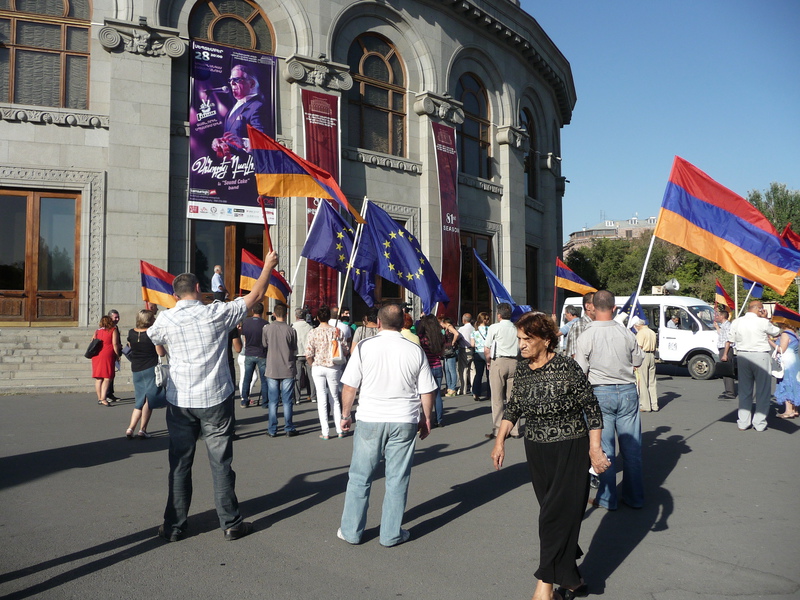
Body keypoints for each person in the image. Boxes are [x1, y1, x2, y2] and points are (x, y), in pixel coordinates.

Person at [148, 249, 278, 542]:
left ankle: (174, 526)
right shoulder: (215, 312)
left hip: (180, 400)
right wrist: (268, 265)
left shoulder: (166, 319)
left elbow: (153, 337)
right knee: (220, 463)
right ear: (198, 288)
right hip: (215, 398)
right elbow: (256, 296)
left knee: (180, 464)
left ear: (175, 295)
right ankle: (231, 523)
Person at [491, 311, 606, 600]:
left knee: (552, 518)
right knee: (554, 514)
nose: (521, 345)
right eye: (519, 339)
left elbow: (592, 408)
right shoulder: (523, 369)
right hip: (537, 451)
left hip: (570, 448)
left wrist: (595, 449)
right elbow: (514, 407)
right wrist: (500, 441)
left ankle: (544, 587)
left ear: (545, 340)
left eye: (527, 339)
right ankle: (572, 580)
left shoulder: (567, 367)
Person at [336, 304, 437, 547]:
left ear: (378, 323)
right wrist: (426, 418)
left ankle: (351, 531)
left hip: (371, 417)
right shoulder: (414, 350)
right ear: (403, 324)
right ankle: (391, 533)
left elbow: (350, 386)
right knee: (397, 478)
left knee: (360, 477)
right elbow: (427, 390)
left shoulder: (364, 347)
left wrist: (345, 415)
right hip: (404, 418)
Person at [575, 289, 644, 511]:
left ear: (593, 307)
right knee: (632, 449)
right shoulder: (625, 333)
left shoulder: (586, 335)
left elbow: (580, 371)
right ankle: (634, 497)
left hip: (600, 392)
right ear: (614, 308)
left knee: (604, 449)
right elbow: (638, 360)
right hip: (627, 390)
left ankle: (607, 497)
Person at [722, 300, 781, 431]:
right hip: (760, 355)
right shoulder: (762, 322)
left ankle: (743, 422)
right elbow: (776, 332)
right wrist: (766, 318)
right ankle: (759, 423)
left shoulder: (737, 321)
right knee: (763, 390)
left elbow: (730, 339)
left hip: (742, 355)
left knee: (745, 390)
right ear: (759, 309)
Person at [306, 305, 349, 439]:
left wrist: (312, 364)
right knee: (334, 398)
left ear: (318, 318)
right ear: (329, 317)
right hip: (333, 366)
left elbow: (308, 353)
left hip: (318, 366)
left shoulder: (313, 332)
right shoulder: (336, 331)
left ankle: (325, 432)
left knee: (321, 398)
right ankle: (339, 429)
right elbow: (345, 349)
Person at [211, 64, 270, 159]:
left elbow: (263, 140)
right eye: (230, 80)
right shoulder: (232, 109)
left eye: (237, 80)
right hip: (231, 163)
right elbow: (232, 136)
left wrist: (243, 142)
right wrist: (221, 141)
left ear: (251, 84)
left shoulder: (257, 106)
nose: (232, 83)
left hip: (248, 164)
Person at [126, 309, 166, 439]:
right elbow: (161, 353)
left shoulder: (131, 332)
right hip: (150, 368)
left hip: (136, 368)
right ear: (149, 320)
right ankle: (142, 429)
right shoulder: (152, 334)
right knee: (149, 399)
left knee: (139, 399)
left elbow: (129, 347)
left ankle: (130, 428)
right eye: (153, 318)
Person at [484, 303, 520, 439]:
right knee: (513, 398)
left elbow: (487, 348)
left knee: (497, 398)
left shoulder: (494, 327)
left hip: (499, 361)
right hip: (514, 361)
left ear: (499, 315)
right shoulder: (516, 328)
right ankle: (515, 430)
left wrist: (488, 361)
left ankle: (499, 430)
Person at [262, 303, 298, 437]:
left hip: (272, 367)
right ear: (286, 314)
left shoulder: (267, 329)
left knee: (273, 401)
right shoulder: (291, 330)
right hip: (287, 367)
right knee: (287, 401)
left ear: (274, 314)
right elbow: (294, 348)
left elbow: (264, 344)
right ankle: (288, 427)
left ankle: (272, 429)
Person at [416, 314, 446, 428]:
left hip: (426, 368)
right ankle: (439, 419)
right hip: (437, 366)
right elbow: (441, 353)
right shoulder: (440, 337)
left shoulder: (422, 337)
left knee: (424, 394)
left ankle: (426, 418)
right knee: (437, 395)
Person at [240, 302, 269, 408]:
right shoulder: (265, 324)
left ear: (252, 310)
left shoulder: (246, 322)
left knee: (247, 378)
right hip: (261, 353)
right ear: (262, 311)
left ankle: (244, 400)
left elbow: (244, 338)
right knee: (264, 380)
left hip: (249, 352)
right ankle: (265, 402)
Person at [91, 315, 122, 407]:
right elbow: (115, 343)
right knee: (107, 377)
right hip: (107, 354)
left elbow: (92, 341)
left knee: (99, 378)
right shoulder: (113, 330)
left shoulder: (97, 331)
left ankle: (99, 398)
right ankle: (103, 398)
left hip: (97, 355)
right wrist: (117, 354)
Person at [773, 323, 800, 418]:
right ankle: (795, 409)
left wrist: (770, 341)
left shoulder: (785, 333)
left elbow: (782, 349)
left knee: (786, 383)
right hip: (795, 360)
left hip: (787, 362)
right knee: (794, 383)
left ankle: (788, 411)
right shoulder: (795, 333)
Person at [633, 317, 658, 412]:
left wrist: (635, 361)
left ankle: (645, 405)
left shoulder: (641, 333)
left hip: (644, 355)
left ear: (637, 325)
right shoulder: (652, 332)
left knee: (643, 381)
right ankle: (654, 404)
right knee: (652, 381)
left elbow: (639, 347)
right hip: (652, 355)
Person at [292, 308, 316, 404]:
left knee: (297, 376)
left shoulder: (293, 326)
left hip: (297, 353)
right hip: (308, 353)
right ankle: (313, 396)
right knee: (311, 376)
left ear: (296, 316)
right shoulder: (309, 327)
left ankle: (297, 398)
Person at [564, 292, 595, 359]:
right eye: (596, 303)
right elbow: (577, 356)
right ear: (588, 306)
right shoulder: (581, 325)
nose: (600, 306)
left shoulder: (593, 324)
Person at [714, 309, 736, 399]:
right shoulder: (723, 325)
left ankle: (730, 392)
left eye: (718, 315)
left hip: (726, 349)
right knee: (724, 371)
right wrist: (717, 327)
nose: (717, 317)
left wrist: (725, 354)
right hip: (723, 349)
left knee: (727, 371)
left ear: (722, 316)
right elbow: (722, 335)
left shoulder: (727, 326)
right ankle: (728, 391)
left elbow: (728, 340)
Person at [470, 311, 490, 401]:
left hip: (478, 353)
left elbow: (472, 344)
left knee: (478, 374)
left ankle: (476, 393)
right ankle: (489, 393)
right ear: (485, 320)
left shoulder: (474, 332)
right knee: (489, 375)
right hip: (488, 353)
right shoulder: (489, 329)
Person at [440, 316, 460, 397]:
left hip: (450, 351)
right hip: (446, 351)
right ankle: (448, 387)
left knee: (452, 370)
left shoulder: (449, 327)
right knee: (446, 369)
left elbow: (456, 334)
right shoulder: (445, 329)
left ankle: (452, 388)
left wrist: (453, 342)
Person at [106, 309, 122, 402]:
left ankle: (110, 393)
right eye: (115, 317)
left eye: (118, 317)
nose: (117, 319)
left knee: (112, 374)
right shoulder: (108, 328)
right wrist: (117, 353)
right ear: (110, 317)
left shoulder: (116, 327)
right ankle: (106, 394)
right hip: (110, 353)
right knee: (108, 375)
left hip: (114, 353)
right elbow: (113, 343)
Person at [457, 313, 475, 395]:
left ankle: (463, 388)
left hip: (464, 349)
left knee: (463, 369)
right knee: (472, 369)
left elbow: (457, 337)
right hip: (472, 349)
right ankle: (473, 387)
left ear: (463, 320)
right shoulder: (473, 328)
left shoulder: (462, 329)